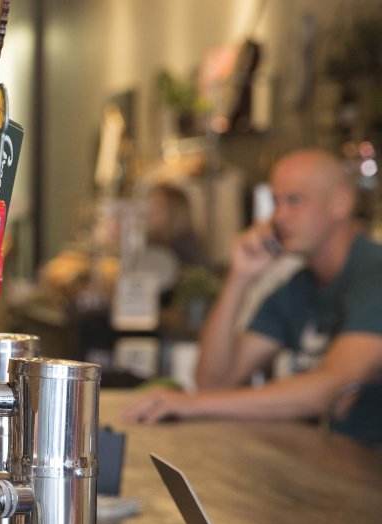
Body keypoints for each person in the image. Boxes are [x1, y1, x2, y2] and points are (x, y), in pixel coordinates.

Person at [122, 148, 382, 444]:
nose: (279, 217)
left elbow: (334, 389)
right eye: (276, 202)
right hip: (326, 467)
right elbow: (214, 383)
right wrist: (240, 277)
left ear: (340, 203)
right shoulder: (299, 286)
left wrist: (192, 404)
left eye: (294, 201)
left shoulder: (375, 274)